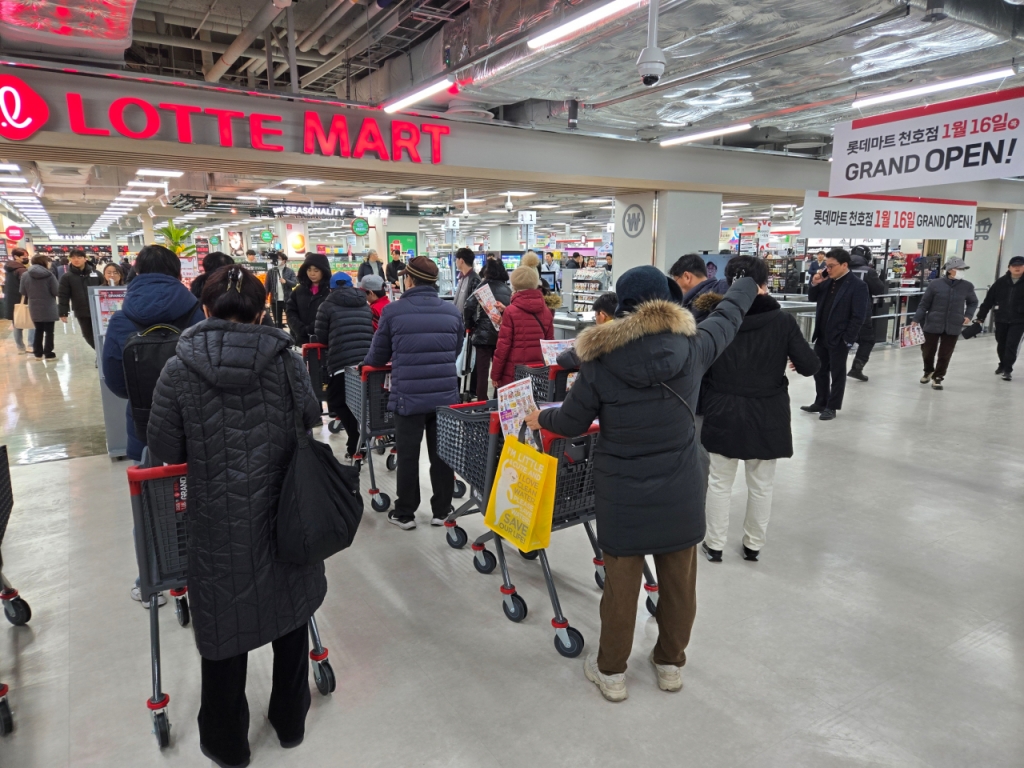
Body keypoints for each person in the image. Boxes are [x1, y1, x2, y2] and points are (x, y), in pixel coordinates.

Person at [524, 266, 757, 702]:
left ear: (622, 304)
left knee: (621, 585)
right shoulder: (694, 346)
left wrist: (543, 418)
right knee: (679, 581)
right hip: (681, 483)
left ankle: (611, 672)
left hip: (622, 485)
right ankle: (669, 664)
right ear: (667, 300)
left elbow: (572, 421)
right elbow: (729, 315)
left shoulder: (599, 359)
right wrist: (748, 281)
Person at [147, 265, 325, 768]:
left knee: (224, 631)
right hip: (288, 510)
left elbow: (164, 445)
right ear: (261, 309)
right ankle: (290, 723)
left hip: (217, 521)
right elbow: (311, 416)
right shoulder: (287, 361)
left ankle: (227, 744)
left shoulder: (178, 369)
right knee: (291, 613)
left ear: (203, 308)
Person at [695, 256, 819, 562]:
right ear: (764, 283)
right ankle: (753, 545)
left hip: (722, 407)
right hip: (767, 411)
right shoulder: (782, 321)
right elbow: (809, 365)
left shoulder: (716, 319)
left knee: (719, 482)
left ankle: (714, 544)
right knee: (761, 484)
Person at [362, 256, 462, 530]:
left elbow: (378, 355)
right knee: (442, 454)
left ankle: (405, 512)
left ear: (409, 279)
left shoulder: (393, 312)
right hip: (444, 396)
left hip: (409, 395)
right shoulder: (452, 312)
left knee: (408, 454)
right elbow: (455, 350)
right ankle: (442, 510)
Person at [102, 244, 205, 464]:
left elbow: (115, 381)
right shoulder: (196, 315)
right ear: (178, 274)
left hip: (144, 419)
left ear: (136, 273)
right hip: (195, 419)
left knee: (152, 490)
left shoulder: (121, 320)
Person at [801, 248, 869, 420]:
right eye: (826, 266)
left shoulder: (857, 286)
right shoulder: (826, 280)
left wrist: (848, 339)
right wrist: (815, 283)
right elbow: (812, 298)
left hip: (839, 337)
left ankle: (832, 406)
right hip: (822, 334)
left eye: (831, 266)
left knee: (837, 373)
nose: (828, 269)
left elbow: (858, 315)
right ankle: (820, 401)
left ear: (844, 265)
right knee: (819, 370)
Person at [316, 272, 373, 458]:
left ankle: (356, 438)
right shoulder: (364, 304)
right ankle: (360, 437)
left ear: (331, 288)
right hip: (365, 363)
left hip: (341, 362)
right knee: (361, 402)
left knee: (336, 401)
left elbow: (322, 337)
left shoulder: (326, 305)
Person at [911, 256, 978, 390]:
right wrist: (916, 319)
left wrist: (968, 315)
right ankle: (928, 370)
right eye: (959, 269)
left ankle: (938, 377)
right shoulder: (935, 284)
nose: (961, 271)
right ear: (950, 270)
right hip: (933, 323)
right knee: (927, 351)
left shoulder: (967, 286)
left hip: (953, 324)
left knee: (945, 353)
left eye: (963, 269)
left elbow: (973, 302)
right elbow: (924, 304)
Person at [491, 262, 554, 388]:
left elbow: (503, 347)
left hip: (514, 374)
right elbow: (549, 346)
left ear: (514, 286)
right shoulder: (546, 311)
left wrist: (495, 375)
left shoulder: (510, 311)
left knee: (513, 407)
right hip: (538, 375)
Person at [464, 258, 513, 400]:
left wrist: (470, 324)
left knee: (482, 372)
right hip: (501, 335)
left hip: (483, 336)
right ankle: (499, 400)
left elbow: (468, 305)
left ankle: (481, 403)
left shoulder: (482, 286)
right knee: (500, 370)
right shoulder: (507, 289)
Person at [976, 255, 1024, 381]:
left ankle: (1008, 369)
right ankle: (1002, 364)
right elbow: (988, 301)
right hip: (1001, 318)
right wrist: (980, 317)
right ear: (1009, 267)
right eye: (1014, 266)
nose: (1017, 268)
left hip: (1019, 320)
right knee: (1001, 344)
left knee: (1011, 345)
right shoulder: (1000, 282)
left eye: (1020, 266)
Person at [847, 246, 887, 383]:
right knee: (867, 340)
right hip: (862, 311)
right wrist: (881, 279)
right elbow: (879, 290)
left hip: (841, 312)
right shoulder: (868, 271)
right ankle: (857, 368)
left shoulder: (841, 268)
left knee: (843, 339)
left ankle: (833, 366)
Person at [555, 291, 616, 370]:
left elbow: (563, 359)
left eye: (595, 317)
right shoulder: (631, 333)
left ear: (602, 316)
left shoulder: (598, 337)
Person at [57, 248, 103, 349]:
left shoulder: (97, 274)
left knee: (102, 333)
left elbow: (104, 288)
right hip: (81, 311)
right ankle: (101, 353)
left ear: (85, 259)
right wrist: (63, 312)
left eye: (79, 257)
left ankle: (103, 354)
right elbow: (63, 295)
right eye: (73, 257)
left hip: (99, 310)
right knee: (88, 335)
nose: (76, 260)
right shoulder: (67, 277)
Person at [285, 254, 332, 346]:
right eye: (309, 270)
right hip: (301, 340)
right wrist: (298, 327)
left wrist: (311, 328)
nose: (312, 274)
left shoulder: (331, 291)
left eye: (316, 270)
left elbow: (331, 314)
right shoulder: (299, 290)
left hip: (323, 342)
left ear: (324, 271)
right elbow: (290, 310)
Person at [20, 254, 59, 360]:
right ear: (44, 262)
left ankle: (37, 353)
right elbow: (56, 291)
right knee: (49, 331)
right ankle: (49, 353)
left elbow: (23, 291)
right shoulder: (49, 275)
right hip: (48, 306)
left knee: (38, 330)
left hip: (34, 306)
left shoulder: (25, 275)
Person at [669, 254, 729, 322]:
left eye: (676, 281)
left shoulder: (694, 309)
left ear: (687, 277)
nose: (676, 286)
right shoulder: (727, 290)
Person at [4, 247, 34, 353]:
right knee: (32, 322)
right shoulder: (21, 270)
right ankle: (31, 345)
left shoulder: (9, 268)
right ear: (16, 257)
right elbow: (27, 285)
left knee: (16, 323)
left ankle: (20, 347)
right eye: (24, 257)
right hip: (23, 299)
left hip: (12, 300)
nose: (26, 258)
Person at [266, 252, 297, 328]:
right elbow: (267, 286)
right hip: (275, 301)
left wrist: (286, 281)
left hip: (288, 300)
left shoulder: (290, 271)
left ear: (284, 260)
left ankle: (292, 337)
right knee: (277, 322)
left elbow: (294, 283)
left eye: (279, 259)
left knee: (290, 320)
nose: (277, 260)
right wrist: (265, 298)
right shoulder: (271, 272)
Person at [452, 247, 481, 313]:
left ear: (461, 261)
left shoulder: (474, 280)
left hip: (467, 322)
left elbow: (475, 307)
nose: (455, 262)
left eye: (456, 259)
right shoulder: (463, 277)